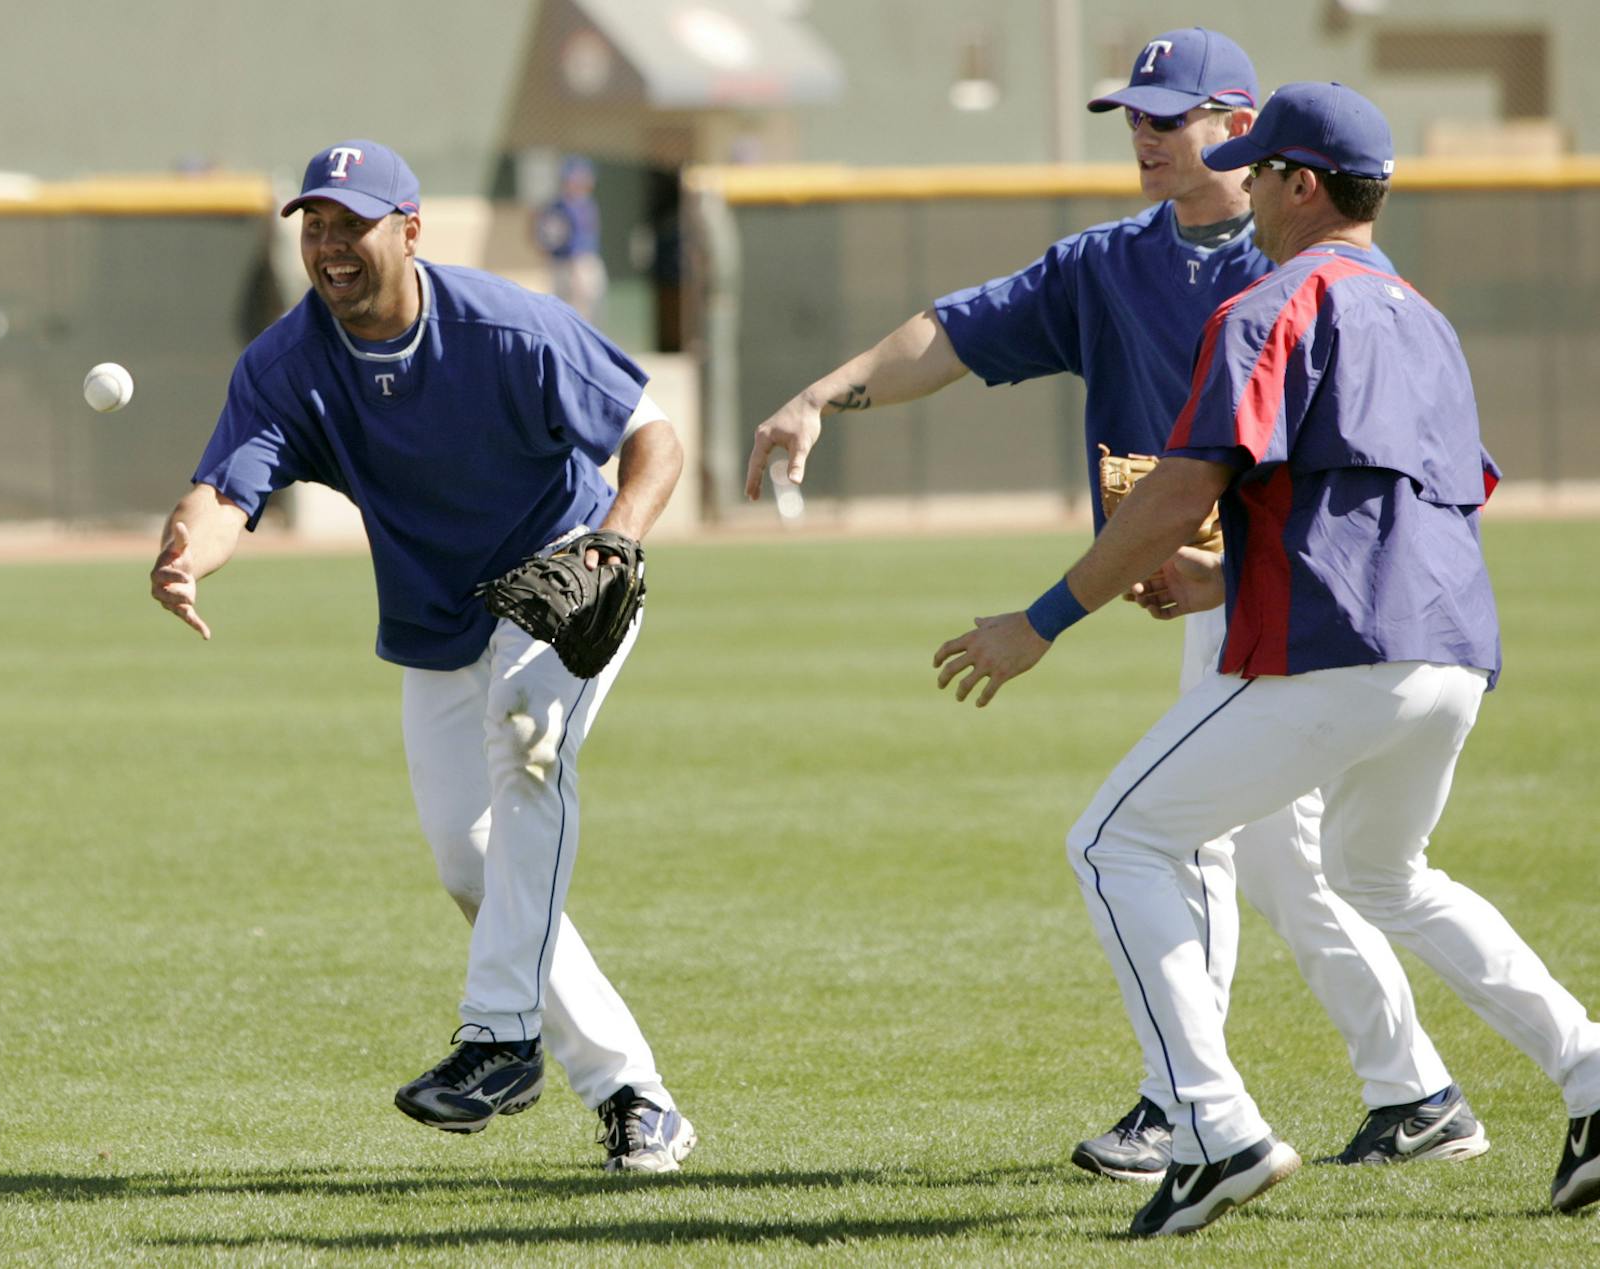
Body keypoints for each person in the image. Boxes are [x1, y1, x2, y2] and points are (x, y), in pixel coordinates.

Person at [746, 28, 1483, 1183]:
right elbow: (952, 332)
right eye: (1132, 116)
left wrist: (1050, 617)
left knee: (1179, 838)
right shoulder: (1109, 262)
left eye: (1168, 114)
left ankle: (1186, 1108)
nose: (1143, 134)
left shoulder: (1302, 264)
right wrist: (818, 398)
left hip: (1298, 592)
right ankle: (1413, 1093)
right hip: (1212, 590)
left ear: (1238, 123)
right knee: (1282, 860)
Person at [933, 80, 1600, 1237]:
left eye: (1258, 165)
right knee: (1384, 874)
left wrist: (1038, 621)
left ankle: (1208, 1126)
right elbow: (1425, 503)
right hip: (1448, 654)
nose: (1242, 184)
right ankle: (1592, 1075)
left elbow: (1184, 490)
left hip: (1332, 653)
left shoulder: (1272, 304)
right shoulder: (1420, 315)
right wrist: (1223, 578)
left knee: (1116, 838)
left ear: (1299, 183)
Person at [150, 139, 696, 1173]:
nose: (328, 246)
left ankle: (500, 1040)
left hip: (563, 587)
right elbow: (228, 490)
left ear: (409, 230)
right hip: (438, 619)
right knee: (470, 864)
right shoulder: (286, 363)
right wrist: (188, 551)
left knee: (529, 742)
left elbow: (653, 435)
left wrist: (615, 539)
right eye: (313, 226)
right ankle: (635, 1095)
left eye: (349, 224)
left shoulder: (506, 327)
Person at [535, 155, 607, 328]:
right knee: (567, 311)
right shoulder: (558, 206)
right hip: (566, 263)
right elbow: (544, 236)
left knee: (591, 308)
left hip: (586, 260)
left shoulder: (587, 204)